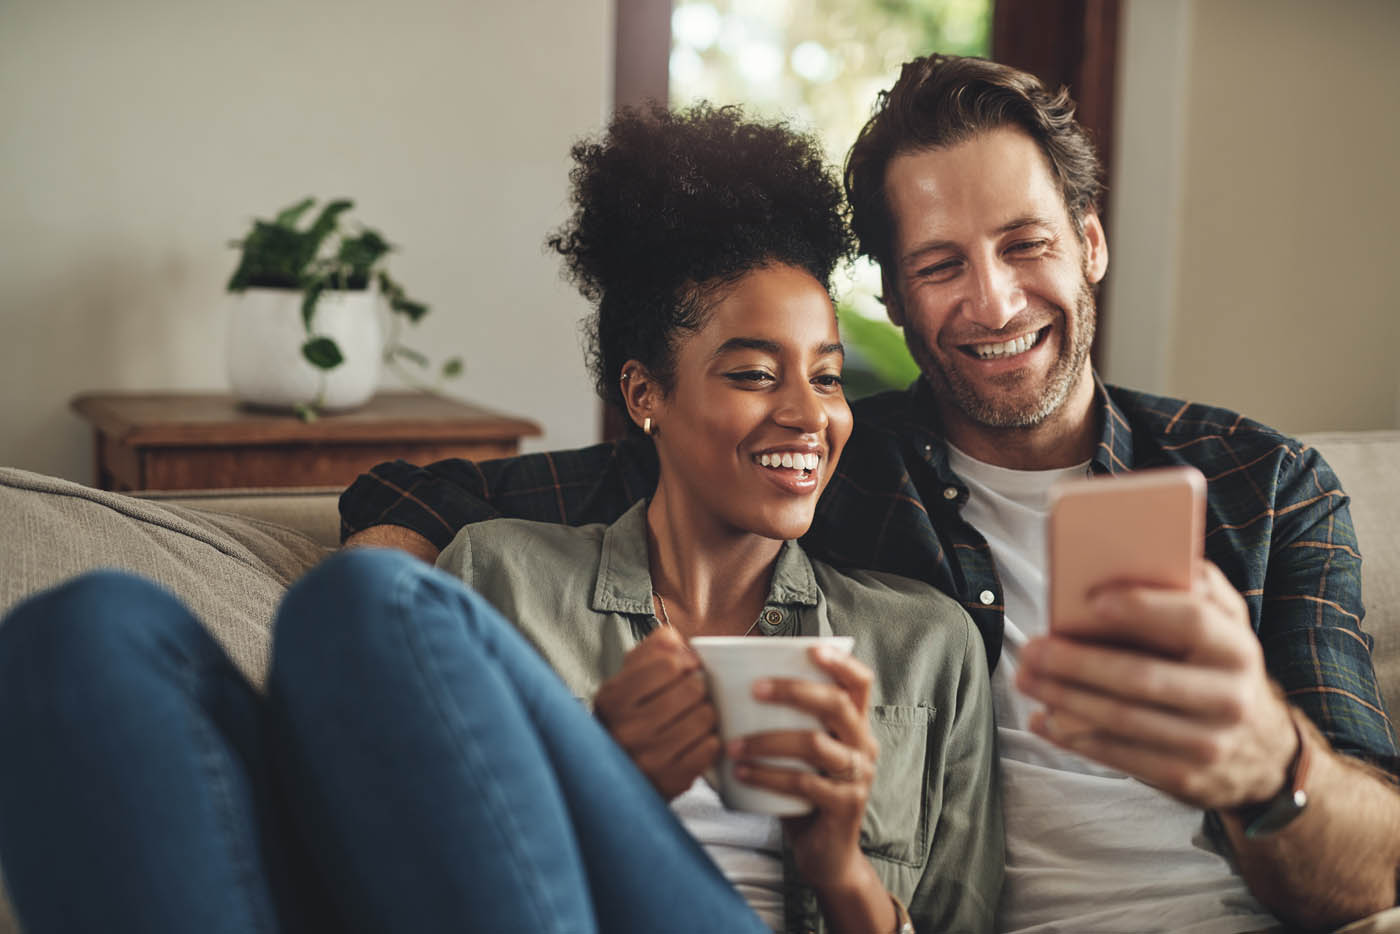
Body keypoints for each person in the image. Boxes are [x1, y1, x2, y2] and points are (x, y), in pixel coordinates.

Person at [341, 56, 1400, 932]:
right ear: (892, 296)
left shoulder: (1259, 484)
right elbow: (428, 496)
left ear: (1088, 241)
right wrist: (388, 683)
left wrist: (1267, 755)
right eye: (940, 264)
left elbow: (1374, 866)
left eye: (1024, 244)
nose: (991, 300)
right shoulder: (830, 466)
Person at [0, 104, 1001, 934]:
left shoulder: (921, 644)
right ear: (644, 394)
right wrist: (596, 771)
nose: (807, 415)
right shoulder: (506, 577)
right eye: (750, 373)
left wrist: (840, 870)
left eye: (826, 379)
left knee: (366, 598)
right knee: (79, 634)